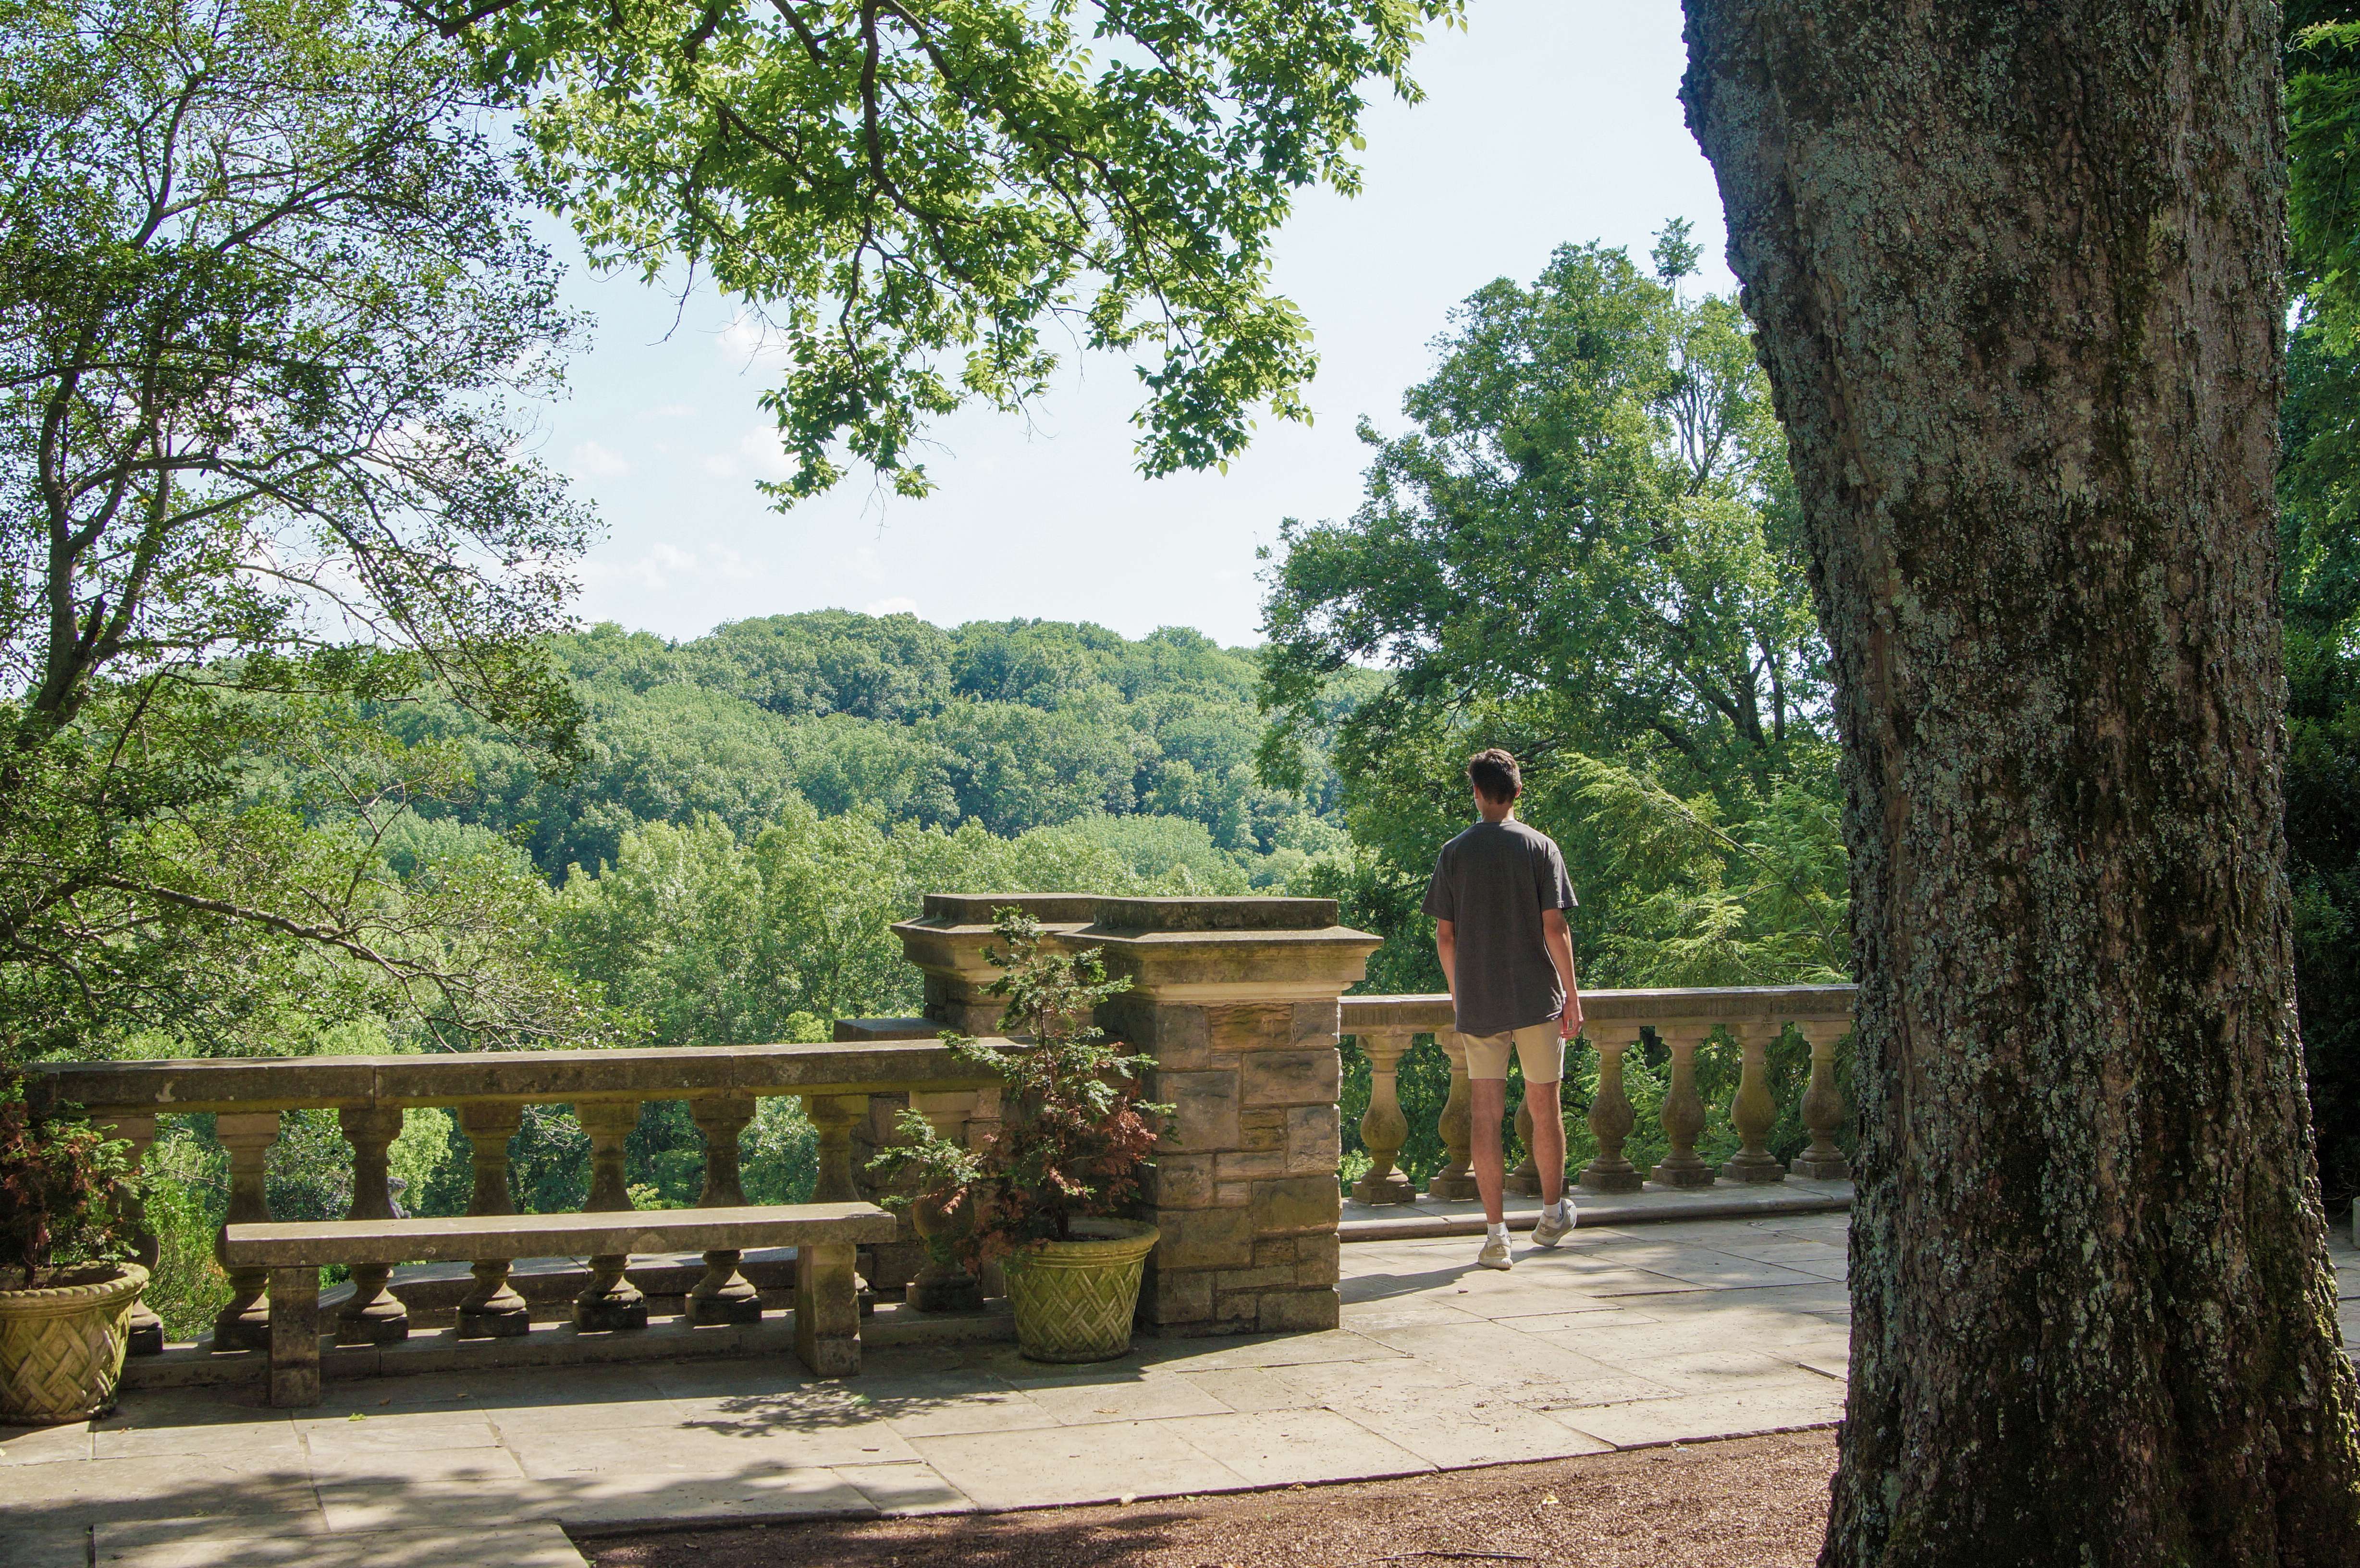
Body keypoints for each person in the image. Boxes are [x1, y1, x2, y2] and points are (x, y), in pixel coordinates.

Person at [1423, 747, 1584, 1270]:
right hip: (1537, 999)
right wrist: (1573, 997)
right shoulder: (1541, 848)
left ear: (1475, 793)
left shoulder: (1454, 853)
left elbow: (1446, 938)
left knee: (1485, 1116)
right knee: (1544, 1109)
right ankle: (1551, 1215)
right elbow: (1554, 928)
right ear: (1517, 792)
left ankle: (1495, 1238)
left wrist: (1458, 990)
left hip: (1481, 1000)